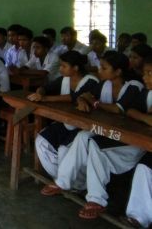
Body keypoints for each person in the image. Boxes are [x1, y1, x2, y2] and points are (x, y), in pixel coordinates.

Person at [38, 51, 144, 219]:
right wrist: (82, 100)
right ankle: (63, 182)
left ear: (118, 72)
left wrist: (94, 102)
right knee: (82, 137)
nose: (99, 70)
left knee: (93, 144)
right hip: (106, 131)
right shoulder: (104, 84)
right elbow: (84, 95)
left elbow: (119, 109)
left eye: (104, 67)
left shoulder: (134, 85)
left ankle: (96, 199)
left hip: (128, 138)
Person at [28, 51, 99, 187]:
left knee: (63, 151)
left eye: (64, 66)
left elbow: (74, 97)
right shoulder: (64, 79)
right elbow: (46, 87)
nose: (60, 69)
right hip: (66, 123)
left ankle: (78, 184)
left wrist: (44, 98)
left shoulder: (91, 81)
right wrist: (40, 92)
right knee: (41, 141)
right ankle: (61, 179)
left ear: (76, 68)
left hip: (84, 127)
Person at [124, 57, 152, 228]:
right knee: (143, 168)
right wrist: (147, 119)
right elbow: (130, 110)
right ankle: (139, 216)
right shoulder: (147, 93)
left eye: (150, 74)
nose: (145, 78)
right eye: (145, 73)